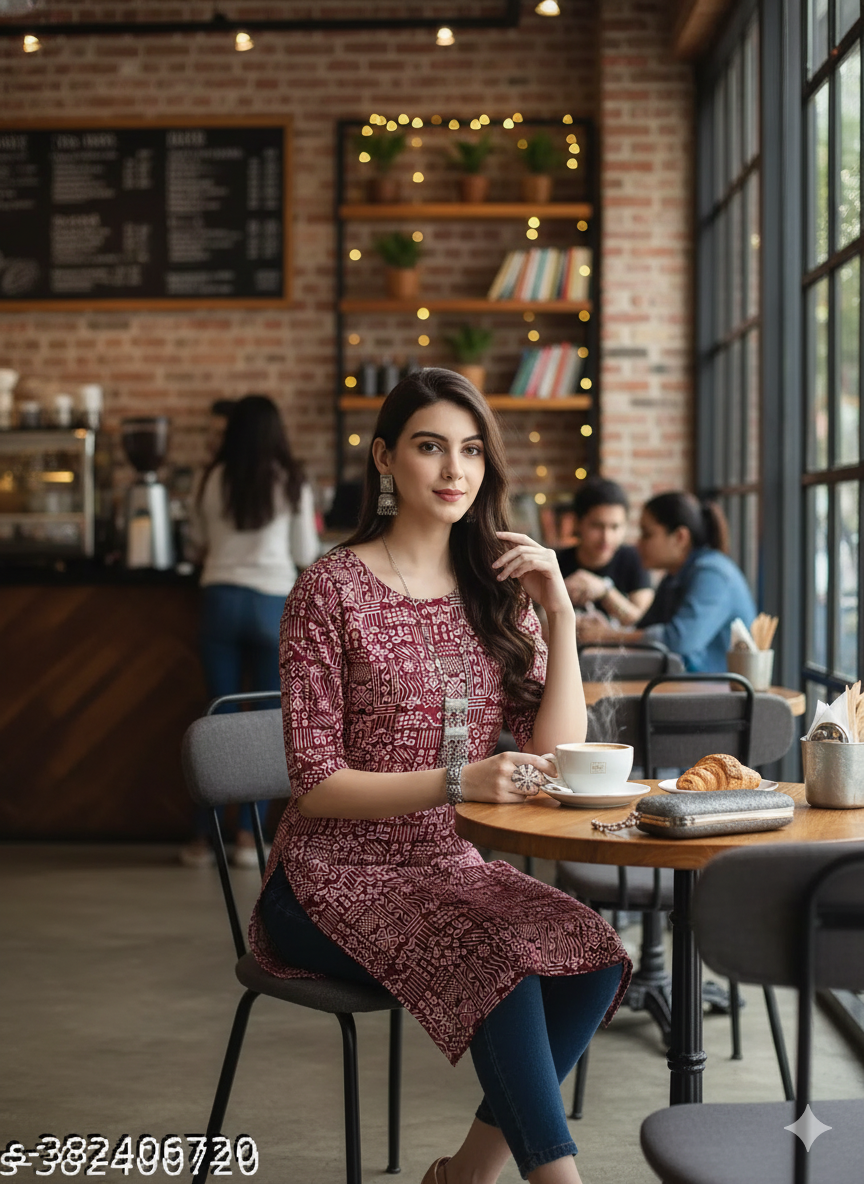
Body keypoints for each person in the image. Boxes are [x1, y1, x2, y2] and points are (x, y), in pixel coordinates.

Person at [248, 368, 631, 1184]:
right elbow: (314, 781)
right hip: (325, 879)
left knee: (594, 954)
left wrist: (560, 614)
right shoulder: (328, 590)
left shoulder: (498, 592)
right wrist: (458, 781)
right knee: (497, 955)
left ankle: (464, 1176)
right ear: (385, 458)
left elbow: (557, 749)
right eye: (431, 447)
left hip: (448, 868)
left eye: (472, 450)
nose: (456, 470)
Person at [181, 394, 320, 869]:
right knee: (265, 721)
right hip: (271, 605)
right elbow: (305, 551)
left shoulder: (210, 478)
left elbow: (197, 543)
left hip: (219, 601)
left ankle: (204, 841)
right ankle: (248, 837)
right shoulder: (291, 479)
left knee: (216, 721)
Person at [577, 490, 756, 673]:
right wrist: (606, 630)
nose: (639, 544)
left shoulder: (713, 574)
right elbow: (645, 629)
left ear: (680, 537)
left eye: (647, 534)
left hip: (715, 688)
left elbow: (679, 641)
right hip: (681, 684)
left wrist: (608, 635)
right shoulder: (673, 576)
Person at [556, 477, 653, 625]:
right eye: (597, 526)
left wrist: (605, 590)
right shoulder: (557, 562)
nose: (606, 538)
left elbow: (642, 622)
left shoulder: (634, 558)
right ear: (577, 523)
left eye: (615, 527)